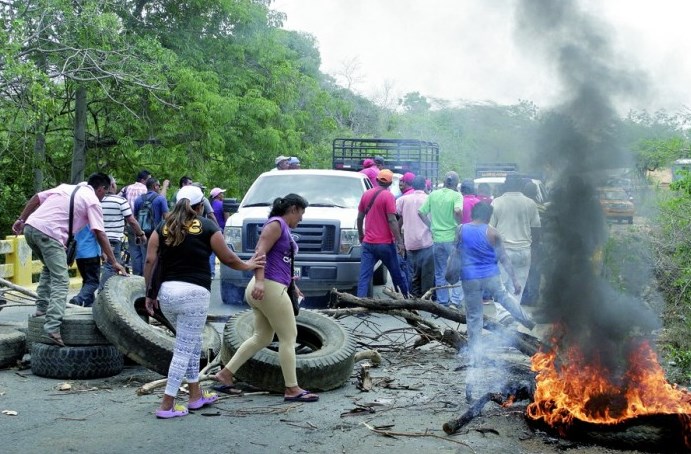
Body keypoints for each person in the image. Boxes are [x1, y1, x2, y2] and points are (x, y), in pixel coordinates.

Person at [144, 185, 265, 419]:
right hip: (194, 294)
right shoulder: (208, 226)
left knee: (190, 342)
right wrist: (249, 265)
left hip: (167, 294)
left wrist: (149, 293)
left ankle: (195, 395)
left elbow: (150, 261)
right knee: (183, 349)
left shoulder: (163, 227)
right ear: (200, 206)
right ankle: (167, 404)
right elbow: (228, 258)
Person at [214, 194, 320, 403]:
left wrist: (293, 286)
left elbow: (281, 261)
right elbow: (260, 252)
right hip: (268, 287)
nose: (301, 219)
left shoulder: (284, 228)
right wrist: (260, 281)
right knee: (289, 337)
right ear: (293, 209)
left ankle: (225, 375)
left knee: (262, 337)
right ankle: (292, 388)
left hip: (271, 287)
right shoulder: (276, 224)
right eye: (301, 213)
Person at [12, 173, 127, 346]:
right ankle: (52, 326)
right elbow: (100, 232)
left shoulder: (66, 187)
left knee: (48, 269)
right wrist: (113, 261)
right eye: (105, 192)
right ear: (101, 188)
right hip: (50, 234)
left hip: (31, 228)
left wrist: (21, 219)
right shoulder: (93, 200)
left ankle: (42, 308)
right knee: (61, 280)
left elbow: (37, 198)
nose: (104, 196)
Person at [455, 202, 535, 363]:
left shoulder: (461, 229)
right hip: (491, 275)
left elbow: (456, 253)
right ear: (488, 216)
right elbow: (504, 257)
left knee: (474, 316)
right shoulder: (493, 232)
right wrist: (514, 280)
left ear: (473, 214)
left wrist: (450, 273)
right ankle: (527, 320)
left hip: (469, 277)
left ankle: (475, 354)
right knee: (504, 297)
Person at [489, 175, 541, 326]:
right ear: (521, 186)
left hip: (503, 252)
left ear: (505, 185)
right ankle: (512, 324)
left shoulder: (497, 202)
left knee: (500, 287)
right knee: (518, 289)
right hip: (525, 251)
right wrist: (534, 251)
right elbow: (537, 230)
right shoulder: (530, 203)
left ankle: (504, 318)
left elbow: (490, 230)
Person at [356, 169, 409, 297]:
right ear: (390, 183)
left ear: (377, 180)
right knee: (397, 274)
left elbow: (359, 218)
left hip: (368, 243)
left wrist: (361, 235)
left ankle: (360, 305)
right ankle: (406, 300)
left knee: (364, 277)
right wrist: (399, 242)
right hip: (385, 244)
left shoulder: (366, 194)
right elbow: (392, 220)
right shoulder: (388, 196)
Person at [418, 171, 463, 307]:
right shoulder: (457, 196)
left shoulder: (433, 195)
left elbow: (421, 212)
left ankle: (443, 301)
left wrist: (431, 226)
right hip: (452, 239)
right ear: (455, 183)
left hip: (437, 239)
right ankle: (455, 301)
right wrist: (458, 224)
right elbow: (458, 211)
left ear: (444, 182)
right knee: (457, 270)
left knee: (440, 271)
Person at [99, 176, 146, 289]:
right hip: (113, 239)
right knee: (111, 265)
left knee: (110, 265)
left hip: (98, 238)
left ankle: (109, 291)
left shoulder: (98, 201)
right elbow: (132, 221)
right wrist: (141, 234)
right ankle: (103, 292)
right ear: (112, 186)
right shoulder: (120, 201)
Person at [396, 175, 434, 298]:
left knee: (412, 272)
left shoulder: (403, 200)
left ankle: (414, 296)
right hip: (426, 241)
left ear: (412, 186)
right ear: (424, 186)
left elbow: (397, 215)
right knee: (427, 272)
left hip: (410, 241)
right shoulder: (429, 199)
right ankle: (425, 297)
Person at [132, 178, 169, 275]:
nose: (160, 188)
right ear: (155, 186)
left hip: (143, 233)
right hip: (156, 233)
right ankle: (154, 278)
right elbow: (166, 217)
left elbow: (135, 218)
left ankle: (143, 278)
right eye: (159, 186)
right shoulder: (161, 199)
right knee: (157, 257)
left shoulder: (138, 199)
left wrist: (137, 234)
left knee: (145, 258)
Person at [121, 170, 151, 278]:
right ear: (143, 180)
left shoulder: (126, 188)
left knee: (134, 250)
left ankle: (136, 275)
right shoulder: (146, 189)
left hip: (129, 223)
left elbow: (119, 199)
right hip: (142, 224)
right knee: (144, 251)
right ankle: (144, 277)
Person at [69, 226, 101, 308]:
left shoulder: (78, 217)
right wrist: (104, 252)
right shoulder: (92, 217)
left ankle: (89, 304)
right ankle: (78, 299)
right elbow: (99, 234)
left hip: (79, 253)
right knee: (93, 282)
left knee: (87, 280)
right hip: (91, 252)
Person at [208, 187, 229, 278]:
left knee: (212, 252)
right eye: (222, 193)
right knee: (225, 251)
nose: (223, 195)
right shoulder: (223, 205)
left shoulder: (209, 204)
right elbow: (227, 219)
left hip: (211, 229)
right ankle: (227, 272)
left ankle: (211, 272)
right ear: (218, 195)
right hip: (221, 229)